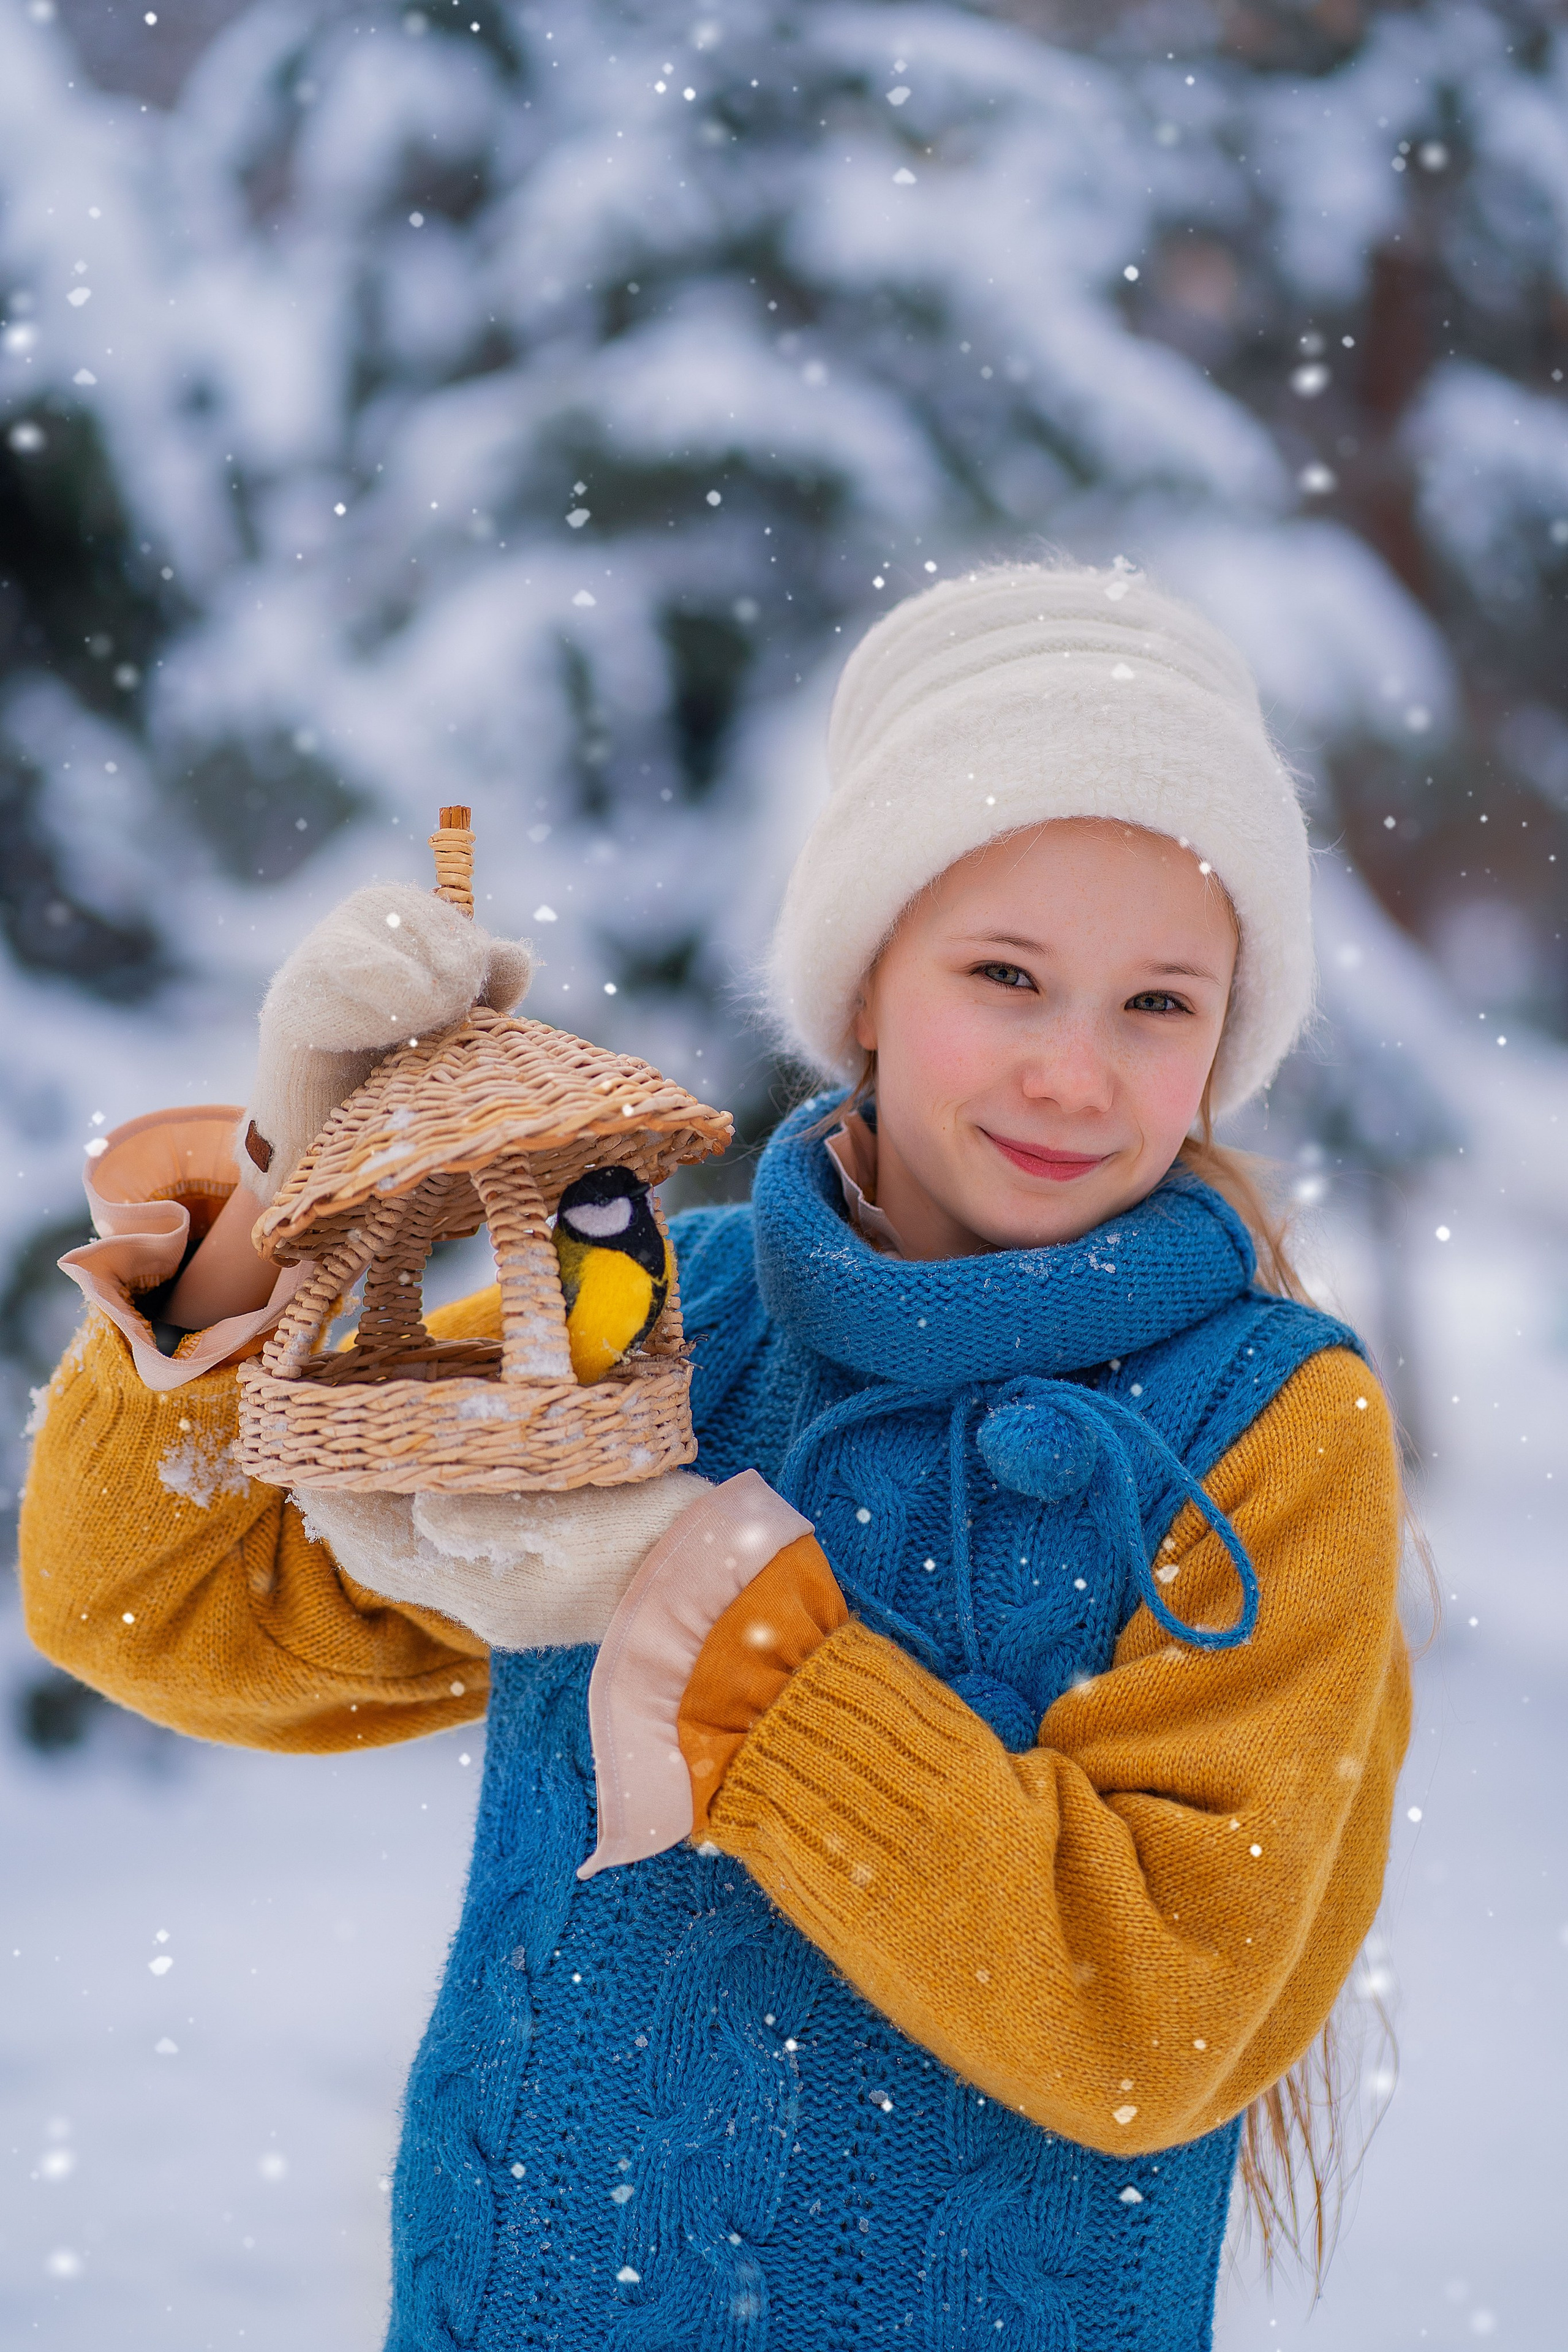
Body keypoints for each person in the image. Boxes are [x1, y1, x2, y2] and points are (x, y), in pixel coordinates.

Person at [20, 562, 1411, 2351]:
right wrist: (288, 1188)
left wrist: (711, 1621)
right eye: (1007, 976)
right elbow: (153, 1609)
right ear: (866, 988)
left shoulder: (1268, 1430)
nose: (1077, 1074)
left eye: (1160, 1004)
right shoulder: (664, 1315)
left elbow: (1153, 2021)